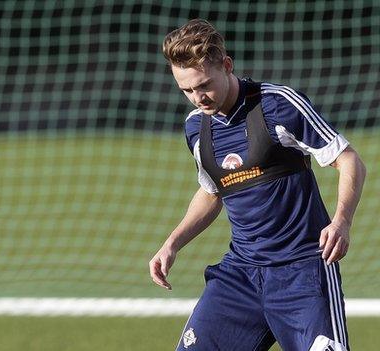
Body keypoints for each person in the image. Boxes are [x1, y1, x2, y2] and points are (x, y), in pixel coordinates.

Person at [149, 19, 365, 351]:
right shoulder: (196, 128)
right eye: (187, 90)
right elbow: (211, 192)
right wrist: (172, 244)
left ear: (227, 65)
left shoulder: (278, 104)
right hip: (240, 275)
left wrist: (342, 222)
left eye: (204, 85)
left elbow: (348, 159)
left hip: (302, 273)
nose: (198, 98)